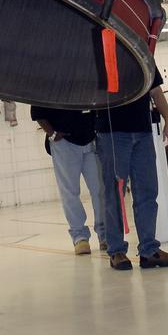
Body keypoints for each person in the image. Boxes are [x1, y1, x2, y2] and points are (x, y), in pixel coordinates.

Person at [96, 66, 168, 272]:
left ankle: (149, 250)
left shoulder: (142, 53)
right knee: (114, 193)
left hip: (142, 131)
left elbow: (156, 90)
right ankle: (116, 250)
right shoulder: (101, 54)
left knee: (147, 190)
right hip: (112, 132)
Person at [30, 105, 106, 255]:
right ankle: (79, 236)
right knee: (70, 192)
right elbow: (37, 112)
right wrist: (52, 133)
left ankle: (105, 234)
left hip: (90, 138)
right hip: (64, 141)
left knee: (100, 189)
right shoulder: (49, 89)